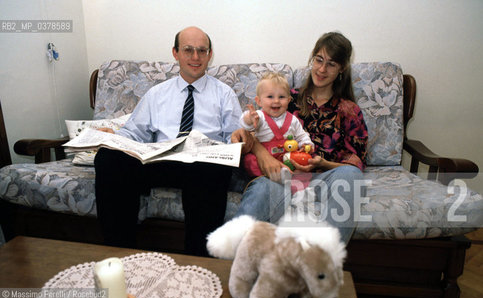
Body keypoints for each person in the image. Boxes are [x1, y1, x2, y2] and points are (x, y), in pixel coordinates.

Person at [94, 26, 247, 256]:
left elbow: (233, 138)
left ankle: (199, 260)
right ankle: (119, 253)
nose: (195, 57)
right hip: (161, 162)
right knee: (108, 158)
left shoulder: (223, 94)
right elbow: (134, 132)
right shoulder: (157, 94)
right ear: (175, 53)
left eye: (201, 51)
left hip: (203, 165)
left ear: (210, 54)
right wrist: (112, 138)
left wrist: (239, 138)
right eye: (188, 50)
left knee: (214, 171)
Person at [234, 32, 368, 244]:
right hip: (281, 176)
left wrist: (322, 163)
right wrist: (262, 153)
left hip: (319, 180)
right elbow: (256, 129)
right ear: (312, 59)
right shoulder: (287, 97)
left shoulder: (349, 111)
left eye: (331, 64)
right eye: (319, 60)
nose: (322, 69)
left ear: (342, 68)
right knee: (262, 188)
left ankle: (321, 259)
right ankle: (231, 265)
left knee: (351, 176)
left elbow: (355, 162)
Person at [239, 72, 314, 178]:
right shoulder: (259, 116)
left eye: (281, 97)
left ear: (288, 100)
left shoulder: (293, 119)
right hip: (265, 160)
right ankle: (270, 177)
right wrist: (249, 119)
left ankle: (295, 181)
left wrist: (307, 144)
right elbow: (247, 126)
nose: (276, 101)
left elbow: (302, 135)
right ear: (259, 101)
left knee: (304, 160)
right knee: (249, 160)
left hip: (287, 156)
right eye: (270, 96)